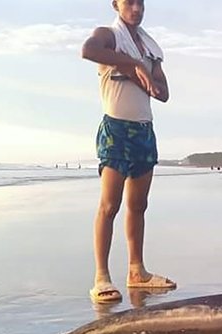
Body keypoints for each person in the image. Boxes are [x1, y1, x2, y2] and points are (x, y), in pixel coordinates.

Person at [82, 0, 175, 304]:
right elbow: (88, 50)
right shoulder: (108, 35)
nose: (136, 9)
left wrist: (145, 74)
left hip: (144, 131)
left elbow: (164, 93)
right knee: (110, 205)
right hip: (117, 130)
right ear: (116, 5)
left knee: (138, 205)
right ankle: (101, 276)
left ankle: (137, 270)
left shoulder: (150, 46)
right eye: (129, 2)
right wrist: (132, 65)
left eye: (140, 3)